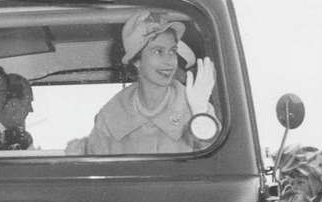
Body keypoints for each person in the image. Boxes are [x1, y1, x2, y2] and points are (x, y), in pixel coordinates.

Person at [74, 9, 216, 156]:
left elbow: (215, 159)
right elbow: (97, 168)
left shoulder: (195, 106)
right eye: (157, 51)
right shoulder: (110, 116)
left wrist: (200, 113)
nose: (169, 61)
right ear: (136, 61)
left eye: (172, 51)